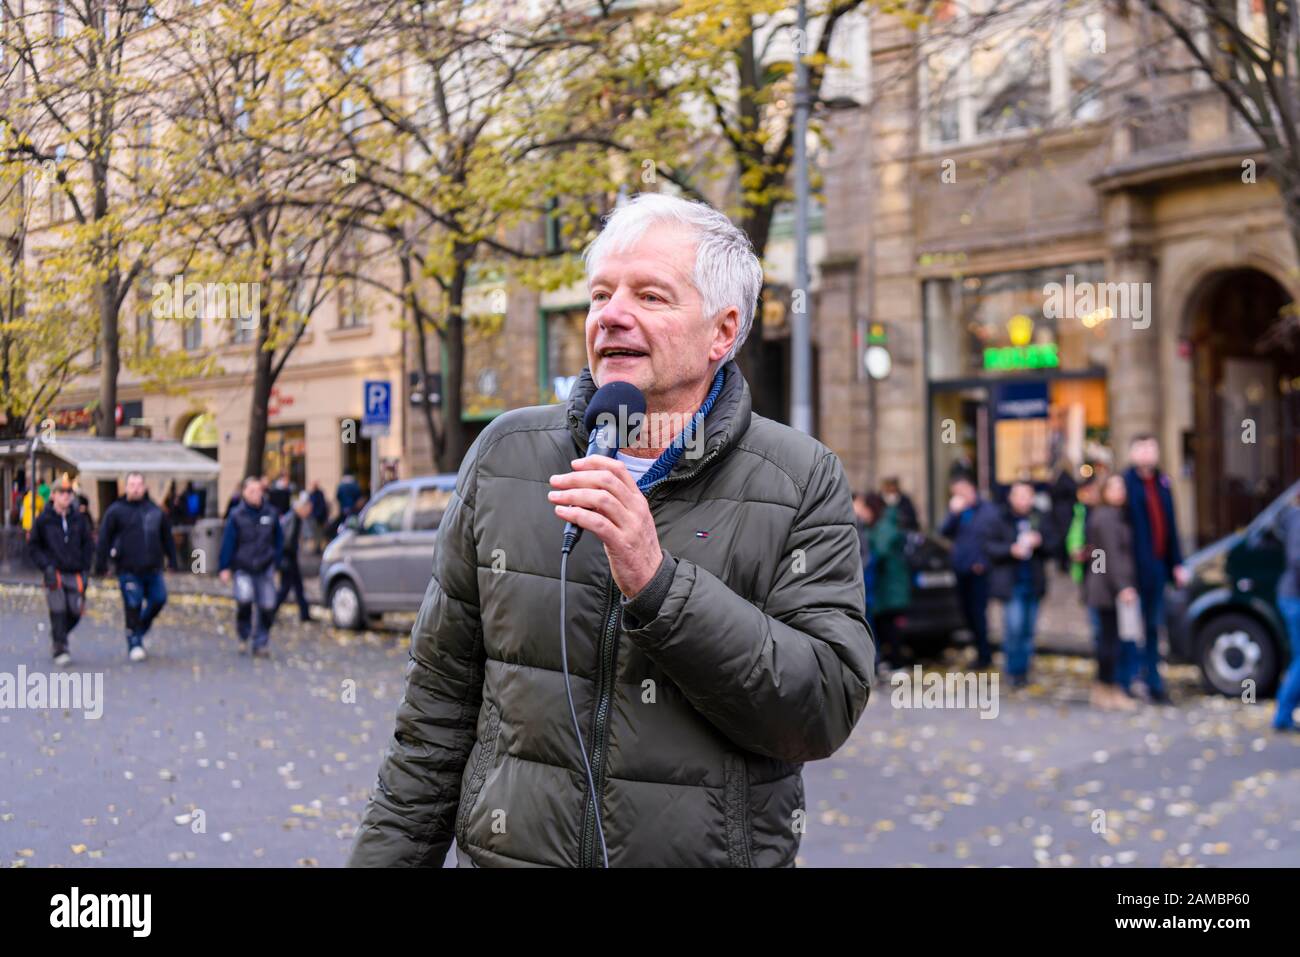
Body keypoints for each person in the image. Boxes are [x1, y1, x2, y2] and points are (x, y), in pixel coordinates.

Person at [348, 192, 873, 868]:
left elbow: (823, 706)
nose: (611, 315)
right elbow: (434, 716)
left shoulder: (800, 477)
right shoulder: (507, 455)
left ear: (723, 330)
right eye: (600, 295)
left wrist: (659, 585)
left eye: (650, 296)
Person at [1121, 435, 1188, 703]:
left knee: (1152, 626)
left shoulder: (1163, 482)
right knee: (1130, 628)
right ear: (1132, 452)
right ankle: (1130, 679)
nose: (1148, 453)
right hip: (1133, 570)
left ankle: (1154, 682)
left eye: (1152, 447)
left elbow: (1171, 525)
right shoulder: (1125, 484)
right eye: (1142, 448)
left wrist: (1177, 564)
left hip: (1158, 567)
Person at [95, 472, 179, 661]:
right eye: (131, 484)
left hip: (153, 568)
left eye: (138, 484)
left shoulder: (155, 511)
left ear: (144, 487)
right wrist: (101, 565)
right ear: (126, 487)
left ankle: (138, 628)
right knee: (133, 604)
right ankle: (134, 642)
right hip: (128, 569)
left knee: (159, 599)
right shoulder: (116, 511)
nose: (135, 488)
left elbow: (167, 537)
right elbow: (104, 538)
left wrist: (172, 560)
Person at [987, 480, 1058, 688]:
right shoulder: (1000, 517)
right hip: (1012, 583)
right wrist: (1010, 550)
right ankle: (1013, 670)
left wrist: (1041, 541)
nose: (1024, 500)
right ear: (1011, 497)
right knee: (1014, 627)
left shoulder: (1039, 517)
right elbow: (989, 547)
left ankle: (1024, 670)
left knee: (1028, 629)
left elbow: (1054, 546)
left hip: (1033, 581)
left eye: (1028, 496)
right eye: (1020, 495)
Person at [1083, 474, 1139, 711]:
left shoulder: (1116, 515)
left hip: (1110, 586)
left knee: (1112, 640)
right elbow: (1111, 556)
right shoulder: (1105, 517)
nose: (1119, 491)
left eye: (1122, 486)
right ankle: (1106, 688)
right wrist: (1123, 586)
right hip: (1107, 589)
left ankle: (1107, 688)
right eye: (1113, 487)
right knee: (1109, 641)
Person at [27, 474, 94, 665]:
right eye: (62, 493)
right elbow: (33, 546)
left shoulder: (79, 519)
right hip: (54, 571)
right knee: (58, 608)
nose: (66, 496)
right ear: (53, 495)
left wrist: (86, 569)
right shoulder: (43, 520)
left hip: (75, 572)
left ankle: (59, 634)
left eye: (69, 493)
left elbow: (88, 545)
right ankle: (60, 647)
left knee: (75, 610)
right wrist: (45, 566)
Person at [219, 476, 283, 655]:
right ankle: (244, 633)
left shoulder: (270, 513)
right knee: (245, 599)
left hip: (265, 566)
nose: (255, 495)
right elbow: (228, 542)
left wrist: (277, 562)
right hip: (243, 566)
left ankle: (261, 641)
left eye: (258, 490)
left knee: (268, 606)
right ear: (244, 493)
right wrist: (224, 567)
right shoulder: (236, 515)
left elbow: (279, 540)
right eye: (251, 491)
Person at [941, 476, 998, 669]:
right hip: (961, 567)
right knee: (966, 612)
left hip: (979, 570)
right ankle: (979, 650)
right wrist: (953, 513)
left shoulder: (987, 510)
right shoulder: (960, 512)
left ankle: (984, 654)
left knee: (978, 612)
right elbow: (944, 531)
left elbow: (992, 538)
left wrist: (982, 561)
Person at [858, 491, 910, 676]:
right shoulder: (878, 526)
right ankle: (890, 663)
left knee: (891, 626)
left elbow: (879, 551)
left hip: (891, 586)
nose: (861, 512)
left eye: (864, 508)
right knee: (883, 624)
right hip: (885, 586)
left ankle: (897, 665)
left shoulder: (884, 527)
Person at [1271, 490, 1300, 732]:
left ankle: (1284, 714)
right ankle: (1282, 715)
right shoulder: (1298, 519)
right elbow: (1297, 559)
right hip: (1295, 598)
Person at [275, 492, 313, 623]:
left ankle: (305, 613)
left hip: (291, 557)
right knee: (286, 588)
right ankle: (270, 612)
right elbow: (286, 540)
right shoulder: (292, 519)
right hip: (288, 557)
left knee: (298, 586)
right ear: (302, 508)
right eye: (308, 509)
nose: (309, 512)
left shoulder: (295, 518)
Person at [308, 481, 329, 552]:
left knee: (319, 532)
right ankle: (317, 547)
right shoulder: (313, 494)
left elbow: (322, 506)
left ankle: (318, 547)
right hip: (316, 516)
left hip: (319, 516)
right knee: (316, 532)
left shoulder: (318, 494)